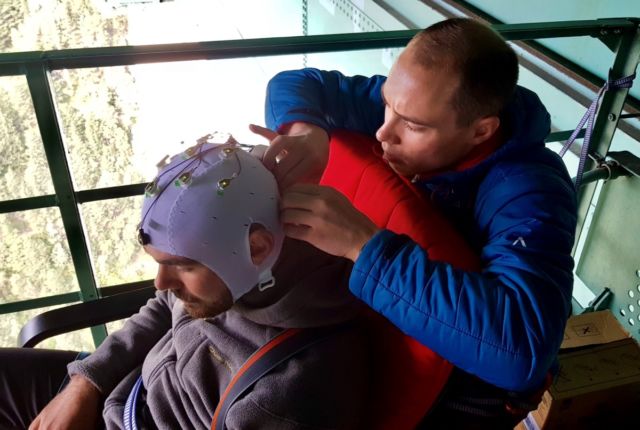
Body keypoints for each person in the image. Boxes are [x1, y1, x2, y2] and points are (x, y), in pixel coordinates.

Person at [251, 17, 577, 426]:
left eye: (413, 125)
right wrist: (307, 131)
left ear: (481, 132)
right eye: (387, 102)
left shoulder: (530, 191)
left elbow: (522, 349)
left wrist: (363, 246)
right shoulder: (413, 104)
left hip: (467, 386)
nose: (384, 131)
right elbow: (295, 82)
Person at [0, 136, 368, 429]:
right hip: (122, 387)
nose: (160, 283)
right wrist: (86, 384)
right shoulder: (234, 271)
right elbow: (163, 306)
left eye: (180, 266)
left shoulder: (287, 395)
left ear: (257, 247)